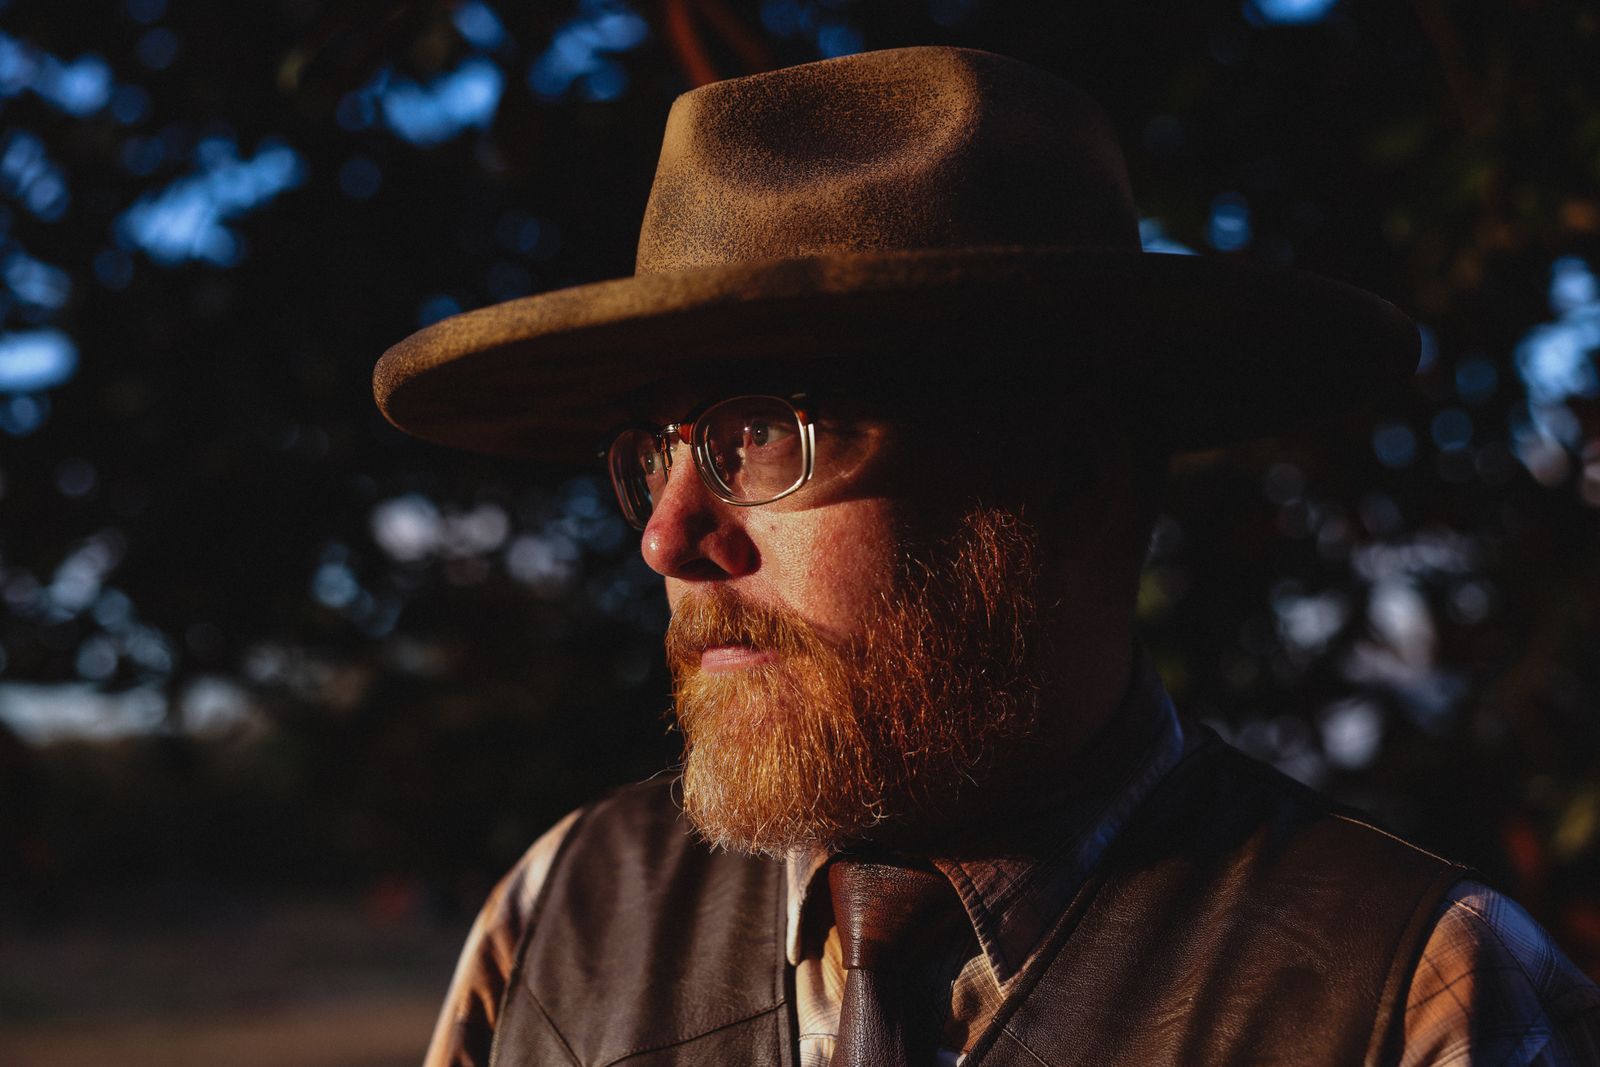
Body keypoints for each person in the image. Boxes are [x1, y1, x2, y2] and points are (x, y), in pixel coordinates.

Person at [374, 46, 1600, 1067]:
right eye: (655, 453)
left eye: (760, 436)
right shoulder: (562, 914)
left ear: (1063, 473)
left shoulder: (1415, 993)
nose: (665, 536)